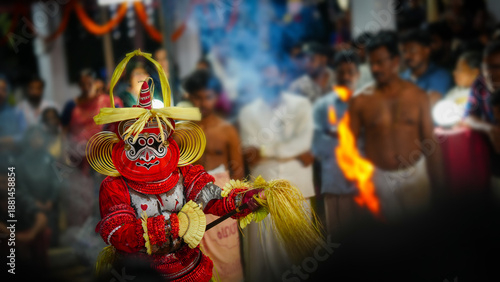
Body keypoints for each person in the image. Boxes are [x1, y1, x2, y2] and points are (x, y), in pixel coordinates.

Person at [349, 31, 444, 221]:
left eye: (380, 62)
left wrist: (441, 189)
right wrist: (360, 184)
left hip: (416, 175)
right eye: (371, 63)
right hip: (379, 178)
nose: (375, 68)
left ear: (395, 62)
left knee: (421, 237)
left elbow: (430, 143)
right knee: (387, 243)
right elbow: (349, 147)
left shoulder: (417, 96)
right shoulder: (360, 101)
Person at [239, 57, 315, 281]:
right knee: (262, 264)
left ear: (283, 77)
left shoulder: (301, 106)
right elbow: (251, 155)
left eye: (273, 76)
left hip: (297, 190)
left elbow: (306, 146)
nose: (269, 82)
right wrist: (292, 150)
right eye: (264, 78)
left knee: (301, 258)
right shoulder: (248, 112)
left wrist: (266, 150)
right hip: (263, 195)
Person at [183, 69, 245, 281]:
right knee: (198, 256)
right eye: (198, 97)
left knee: (229, 254)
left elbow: (238, 171)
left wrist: (239, 201)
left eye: (208, 97)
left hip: (223, 198)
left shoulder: (227, 130)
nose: (203, 102)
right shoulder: (183, 132)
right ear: (190, 97)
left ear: (216, 97)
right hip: (193, 202)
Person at [312, 50, 363, 240]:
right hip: (333, 181)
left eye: (350, 72)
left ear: (358, 74)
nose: (346, 77)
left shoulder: (366, 103)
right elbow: (317, 145)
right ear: (335, 74)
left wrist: (336, 137)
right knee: (336, 239)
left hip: (361, 183)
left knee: (364, 237)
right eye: (341, 72)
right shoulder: (323, 106)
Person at [463, 40, 500, 191]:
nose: (490, 73)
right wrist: (490, 129)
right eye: (486, 67)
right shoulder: (480, 83)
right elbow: (467, 117)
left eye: (497, 67)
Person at [400, 29, 454, 106]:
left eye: (412, 50)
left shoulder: (441, 76)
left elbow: (429, 105)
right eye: (404, 51)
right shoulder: (401, 77)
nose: (407, 56)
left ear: (427, 50)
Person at [441, 51, 481, 119]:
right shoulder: (453, 92)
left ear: (475, 72)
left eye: (460, 70)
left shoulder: (481, 94)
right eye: (456, 69)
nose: (454, 73)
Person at [0, 75, 26, 160]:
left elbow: (25, 136)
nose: (0, 93)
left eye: (3, 89)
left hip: (12, 159)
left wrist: (6, 140)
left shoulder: (17, 112)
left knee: (12, 172)